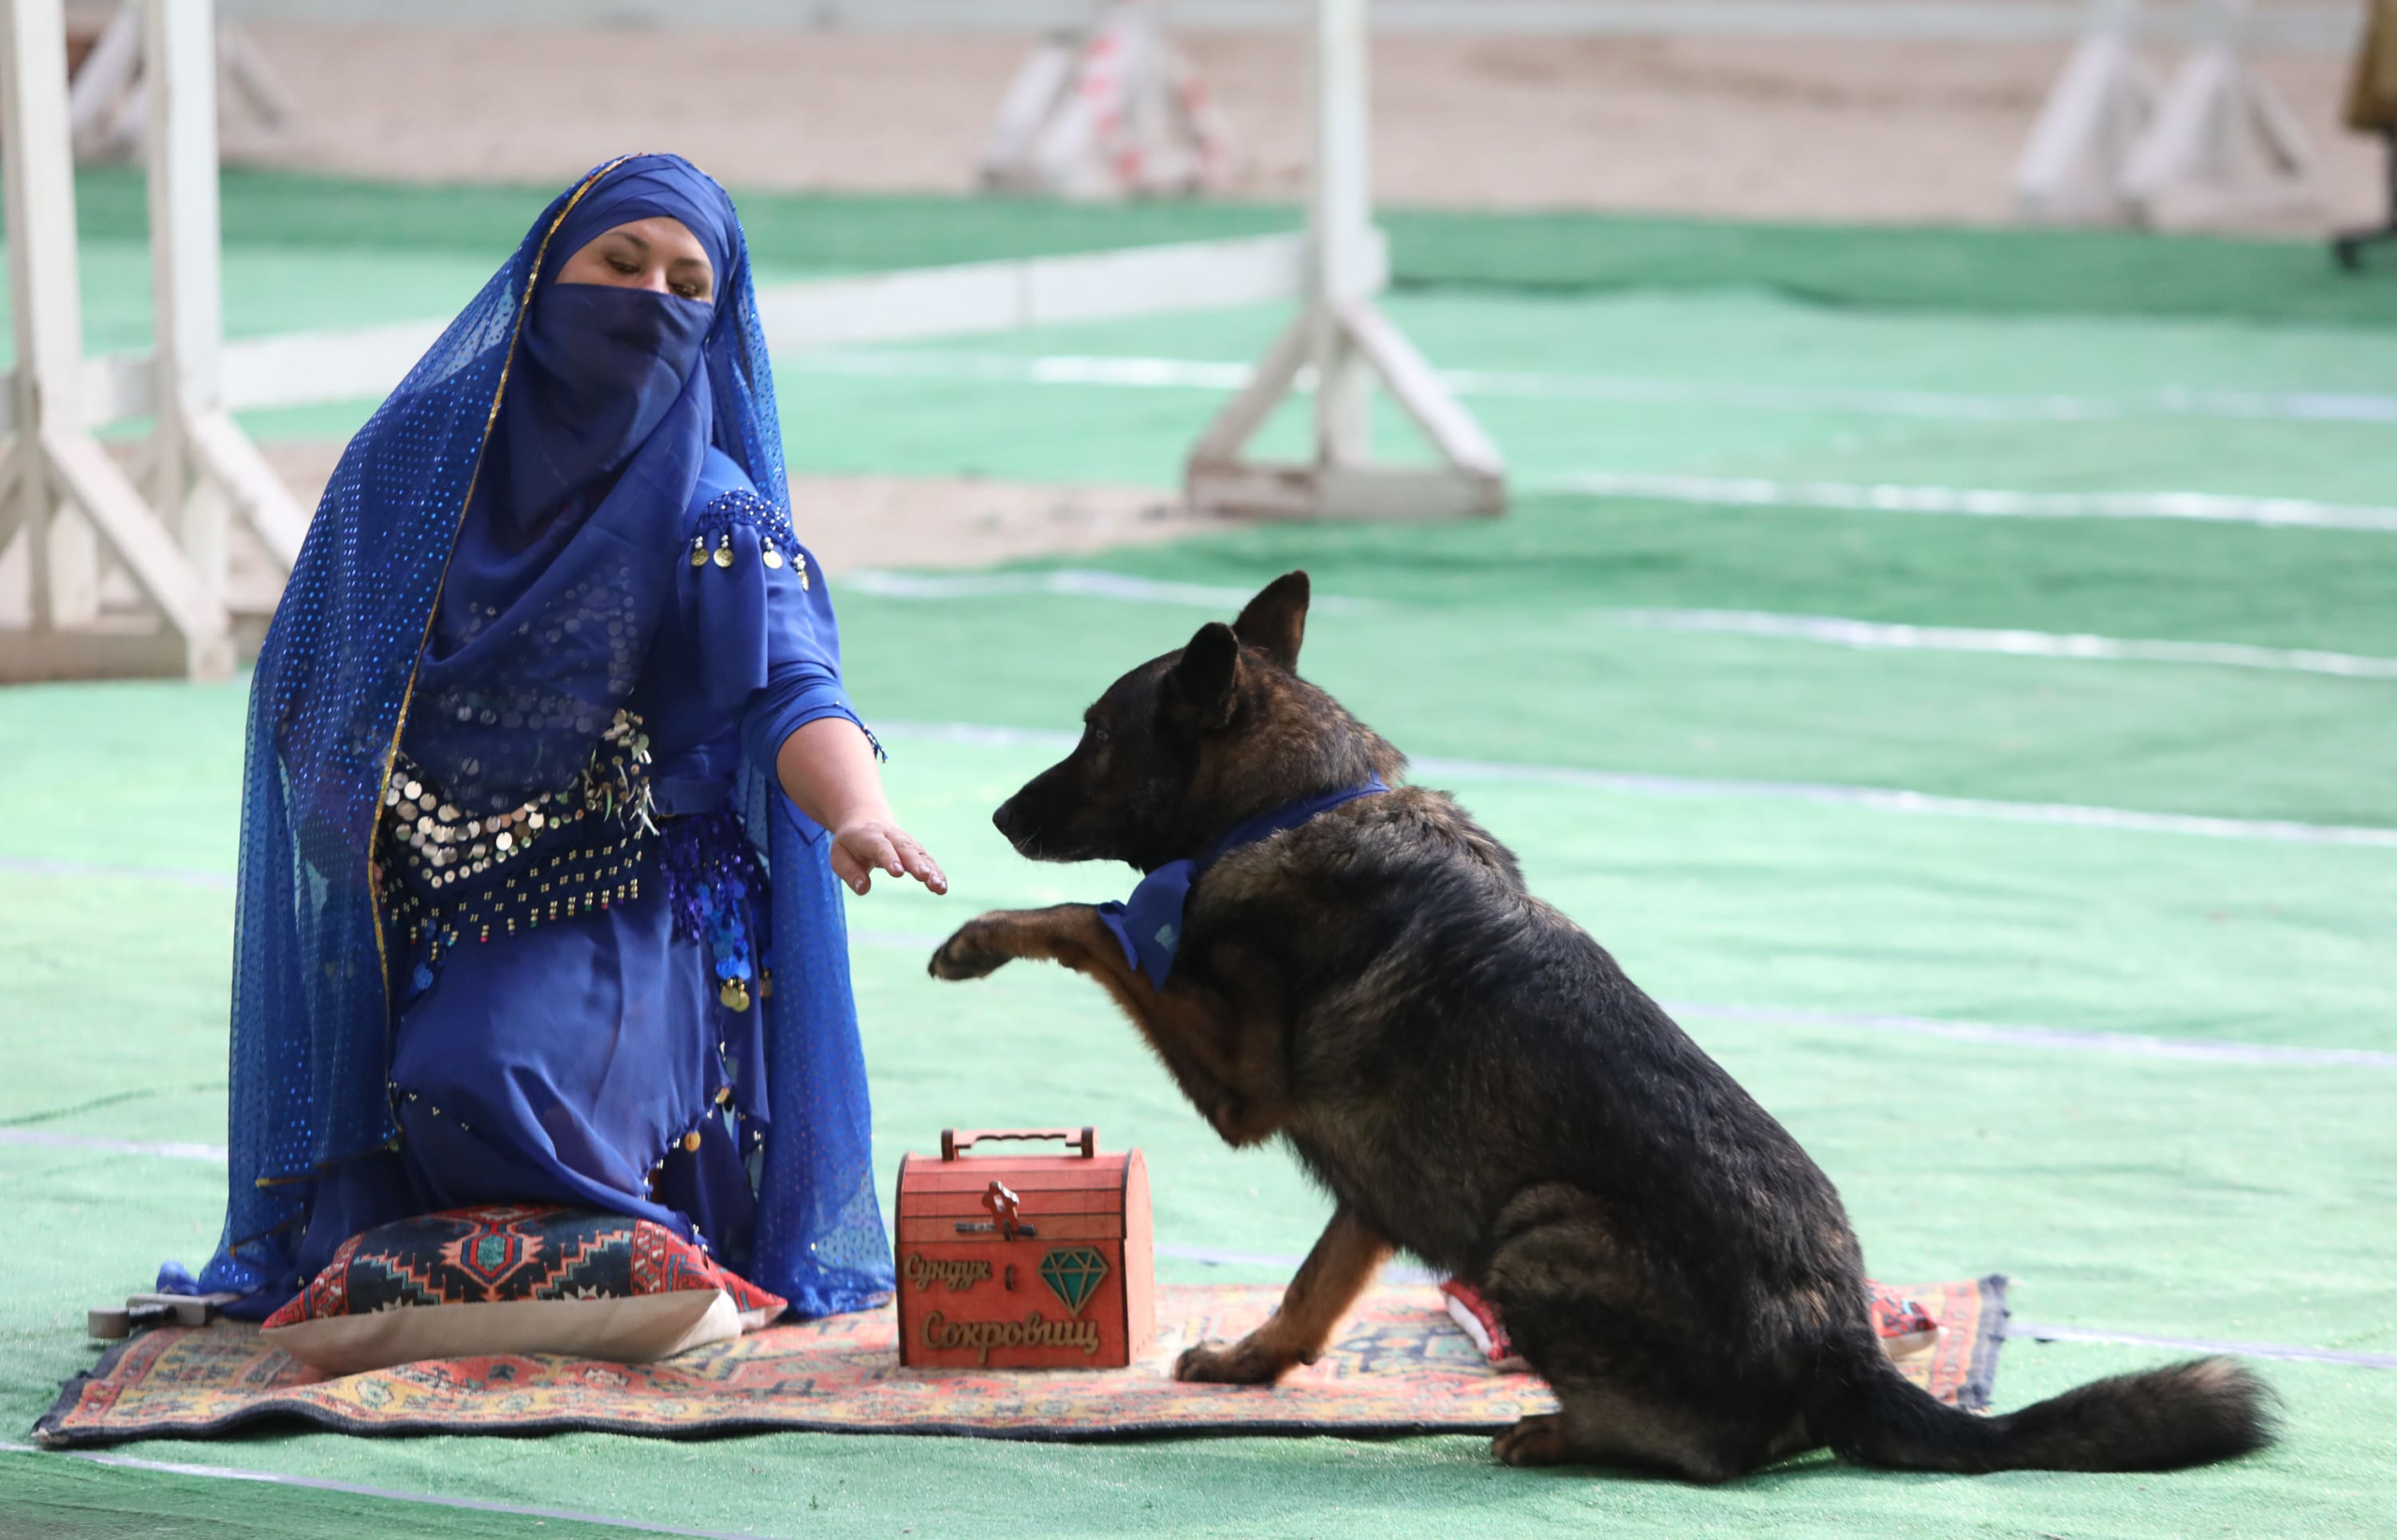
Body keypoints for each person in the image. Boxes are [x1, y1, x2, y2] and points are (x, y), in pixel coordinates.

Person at [186, 154, 942, 1319]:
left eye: (687, 286)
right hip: (423, 899)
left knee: (482, 1075)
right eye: (620, 263)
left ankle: (640, 1245)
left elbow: (792, 686)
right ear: (543, 280)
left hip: (636, 896)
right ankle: (556, 1254)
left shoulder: (711, 507)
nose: (649, 302)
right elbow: (316, 665)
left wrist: (856, 810)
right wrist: (354, 811)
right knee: (427, 1088)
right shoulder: (416, 469)